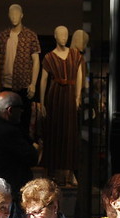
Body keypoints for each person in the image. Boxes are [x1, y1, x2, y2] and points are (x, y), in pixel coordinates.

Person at [0, 91, 40, 214]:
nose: (22, 112)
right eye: (20, 108)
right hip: (11, 192)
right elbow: (32, 157)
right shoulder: (9, 132)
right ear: (10, 110)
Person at [39, 26, 83, 180]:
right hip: (55, 95)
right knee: (54, 131)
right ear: (55, 36)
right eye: (61, 35)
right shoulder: (49, 57)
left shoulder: (75, 55)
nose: (64, 37)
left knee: (70, 132)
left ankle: (70, 171)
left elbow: (79, 75)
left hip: (70, 94)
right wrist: (42, 102)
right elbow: (43, 80)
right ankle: (52, 170)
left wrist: (78, 96)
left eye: (66, 34)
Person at [0, 3, 41, 136]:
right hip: (6, 86)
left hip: (23, 86)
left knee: (23, 122)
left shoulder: (30, 35)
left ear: (22, 15)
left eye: (17, 13)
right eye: (11, 13)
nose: (14, 16)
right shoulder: (3, 35)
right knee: (3, 122)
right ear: (8, 16)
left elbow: (36, 60)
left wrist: (33, 84)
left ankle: (21, 151)